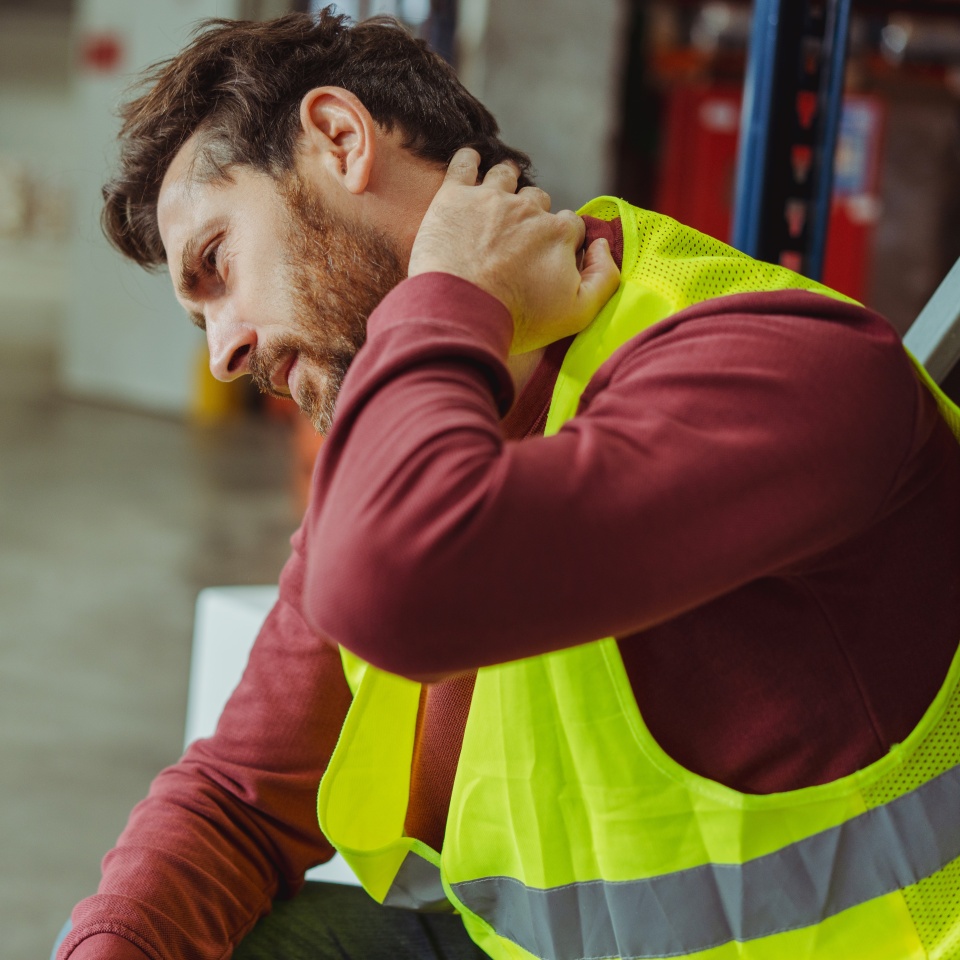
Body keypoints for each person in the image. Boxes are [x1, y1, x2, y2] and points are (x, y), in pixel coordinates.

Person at [57, 10, 960, 960]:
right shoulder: (413, 440)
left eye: (218, 265)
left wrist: (450, 291)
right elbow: (239, 798)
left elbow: (402, 581)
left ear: (337, 138)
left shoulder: (777, 367)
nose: (227, 351)